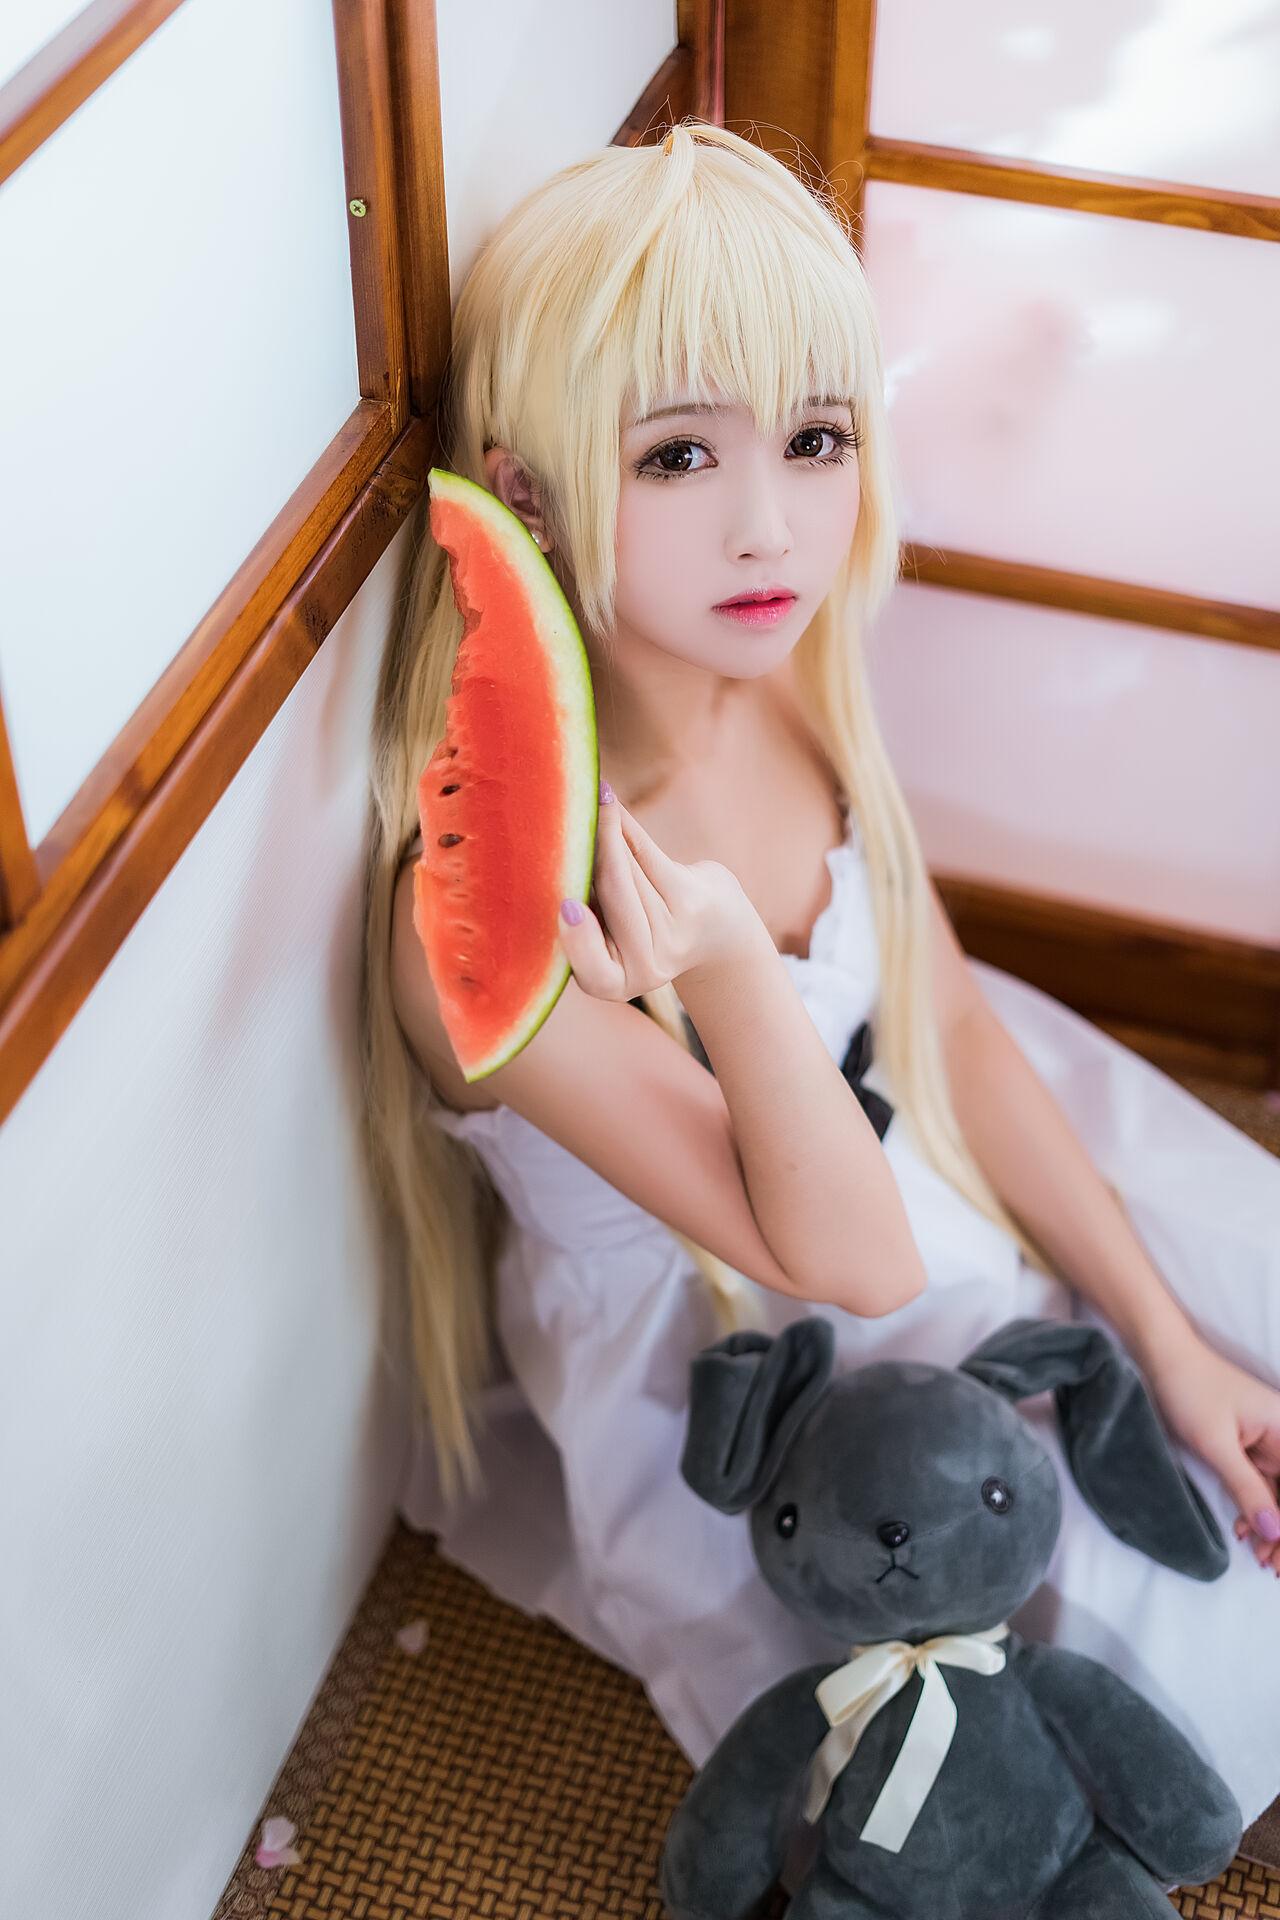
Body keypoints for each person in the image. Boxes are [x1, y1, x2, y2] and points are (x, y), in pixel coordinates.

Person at [357, 120, 1280, 1839]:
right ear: (525, 493)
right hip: (753, 1368)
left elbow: (953, 1019)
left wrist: (1166, 1345)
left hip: (924, 1132)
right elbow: (850, 1262)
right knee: (1173, 1671)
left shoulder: (776, 673)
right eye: (678, 456)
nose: (770, 527)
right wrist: (725, 960)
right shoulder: (481, 916)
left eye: (815, 438)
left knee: (1240, 1334)